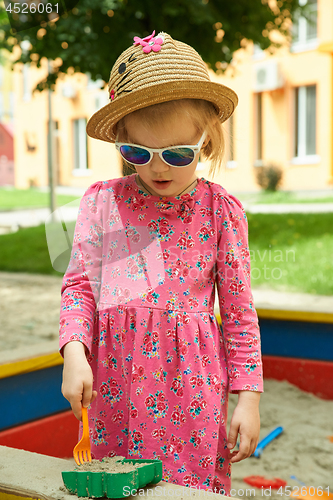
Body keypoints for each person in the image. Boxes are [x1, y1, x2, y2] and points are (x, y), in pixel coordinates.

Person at [60, 31, 263, 495]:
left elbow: (238, 314)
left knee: (186, 489)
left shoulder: (220, 211)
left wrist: (248, 400)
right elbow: (79, 289)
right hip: (115, 389)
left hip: (191, 393)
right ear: (122, 141)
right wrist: (74, 351)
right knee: (114, 483)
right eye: (138, 153)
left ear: (206, 142)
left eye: (177, 154)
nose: (158, 169)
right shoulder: (102, 203)